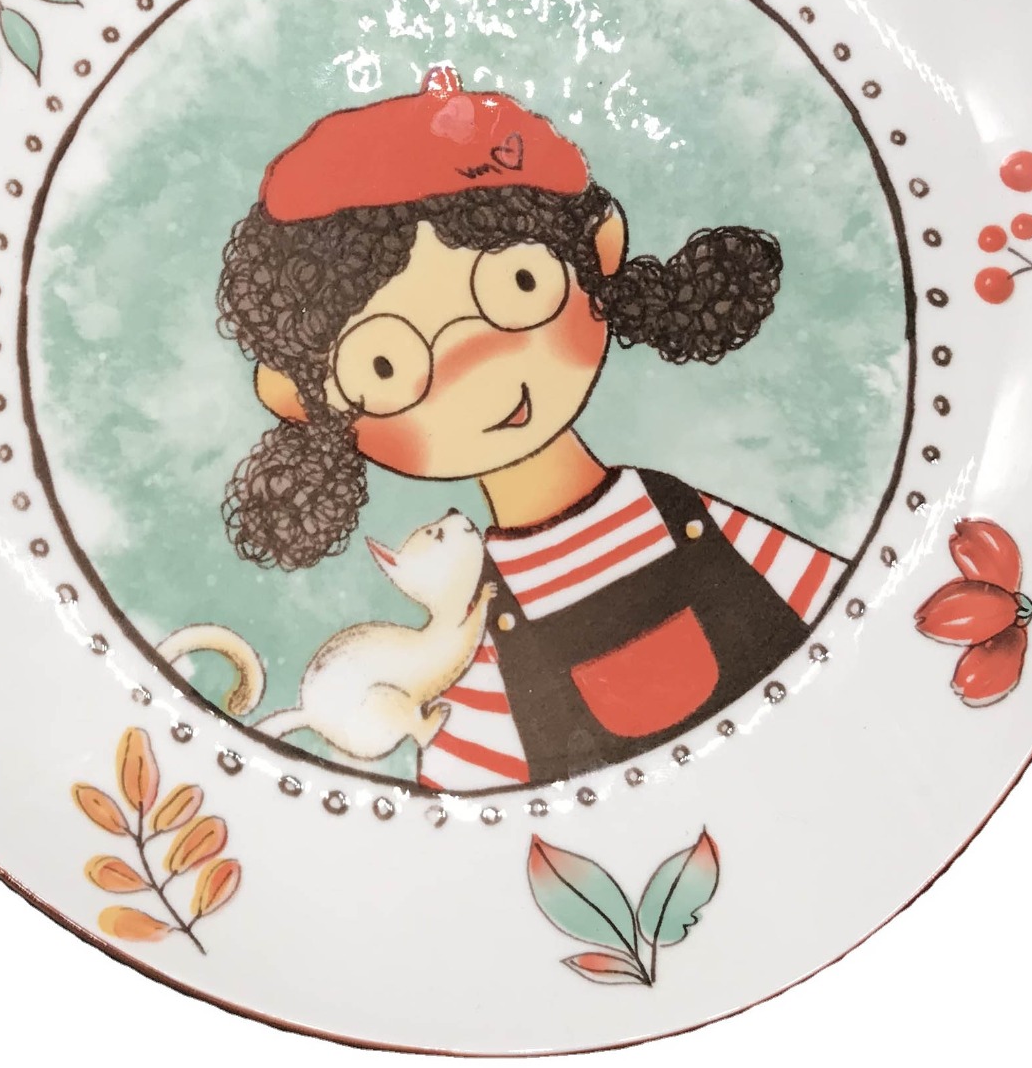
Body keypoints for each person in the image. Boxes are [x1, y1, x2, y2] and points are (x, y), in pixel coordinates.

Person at [215, 65, 845, 790]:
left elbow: (840, 614)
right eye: (386, 364)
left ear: (599, 254)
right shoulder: (492, 616)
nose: (479, 369)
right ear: (304, 403)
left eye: (519, 285)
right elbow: (468, 791)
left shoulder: (678, 514)